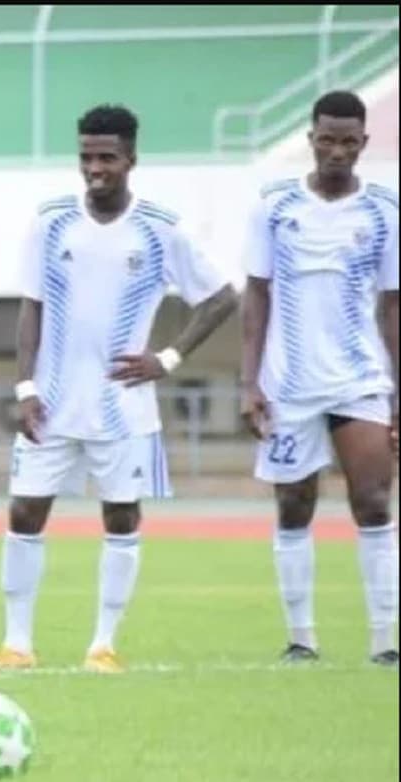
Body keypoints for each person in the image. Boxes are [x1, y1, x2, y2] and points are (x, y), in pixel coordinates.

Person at [0, 104, 237, 674]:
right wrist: (24, 385)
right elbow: (31, 308)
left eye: (107, 158)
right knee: (24, 512)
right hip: (49, 403)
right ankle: (16, 644)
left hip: (124, 408)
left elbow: (222, 296)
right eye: (86, 157)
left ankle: (103, 645)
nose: (95, 168)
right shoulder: (50, 220)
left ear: (131, 159)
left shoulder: (160, 227)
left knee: (121, 518)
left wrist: (166, 358)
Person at [241, 90, 399, 667]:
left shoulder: (385, 210)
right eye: (327, 140)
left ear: (364, 142)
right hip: (289, 384)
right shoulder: (275, 207)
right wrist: (249, 382)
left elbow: (394, 306)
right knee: (294, 505)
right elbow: (256, 294)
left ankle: (386, 641)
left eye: (348, 141)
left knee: (375, 502)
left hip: (360, 379)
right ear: (311, 140)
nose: (337, 151)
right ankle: (301, 639)